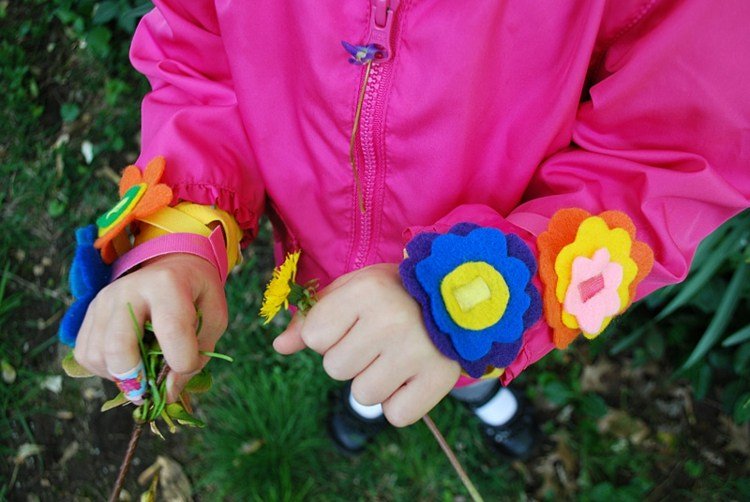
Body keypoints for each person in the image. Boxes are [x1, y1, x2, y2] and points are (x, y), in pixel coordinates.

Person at [66, 0, 750, 460]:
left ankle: (483, 391)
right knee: (354, 347)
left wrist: (470, 308)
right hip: (319, 238)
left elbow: (677, 143)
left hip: (506, 255)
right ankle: (369, 396)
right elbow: (201, 48)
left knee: (459, 367)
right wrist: (180, 229)